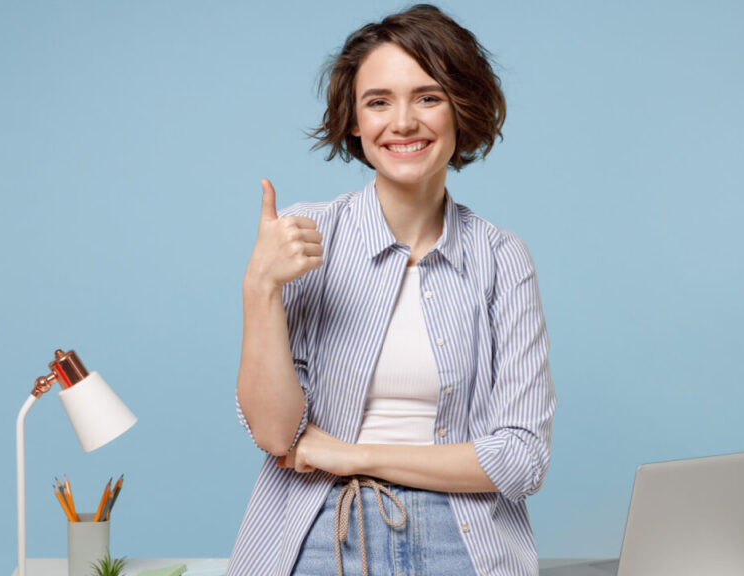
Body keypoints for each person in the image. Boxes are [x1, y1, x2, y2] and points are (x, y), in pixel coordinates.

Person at [230, 5, 555, 575]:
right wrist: (259, 287)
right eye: (378, 101)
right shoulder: (305, 238)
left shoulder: (502, 259)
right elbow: (277, 433)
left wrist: (353, 455)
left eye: (428, 97)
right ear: (354, 121)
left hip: (465, 534)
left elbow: (522, 459)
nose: (402, 122)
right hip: (321, 526)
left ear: (461, 109)